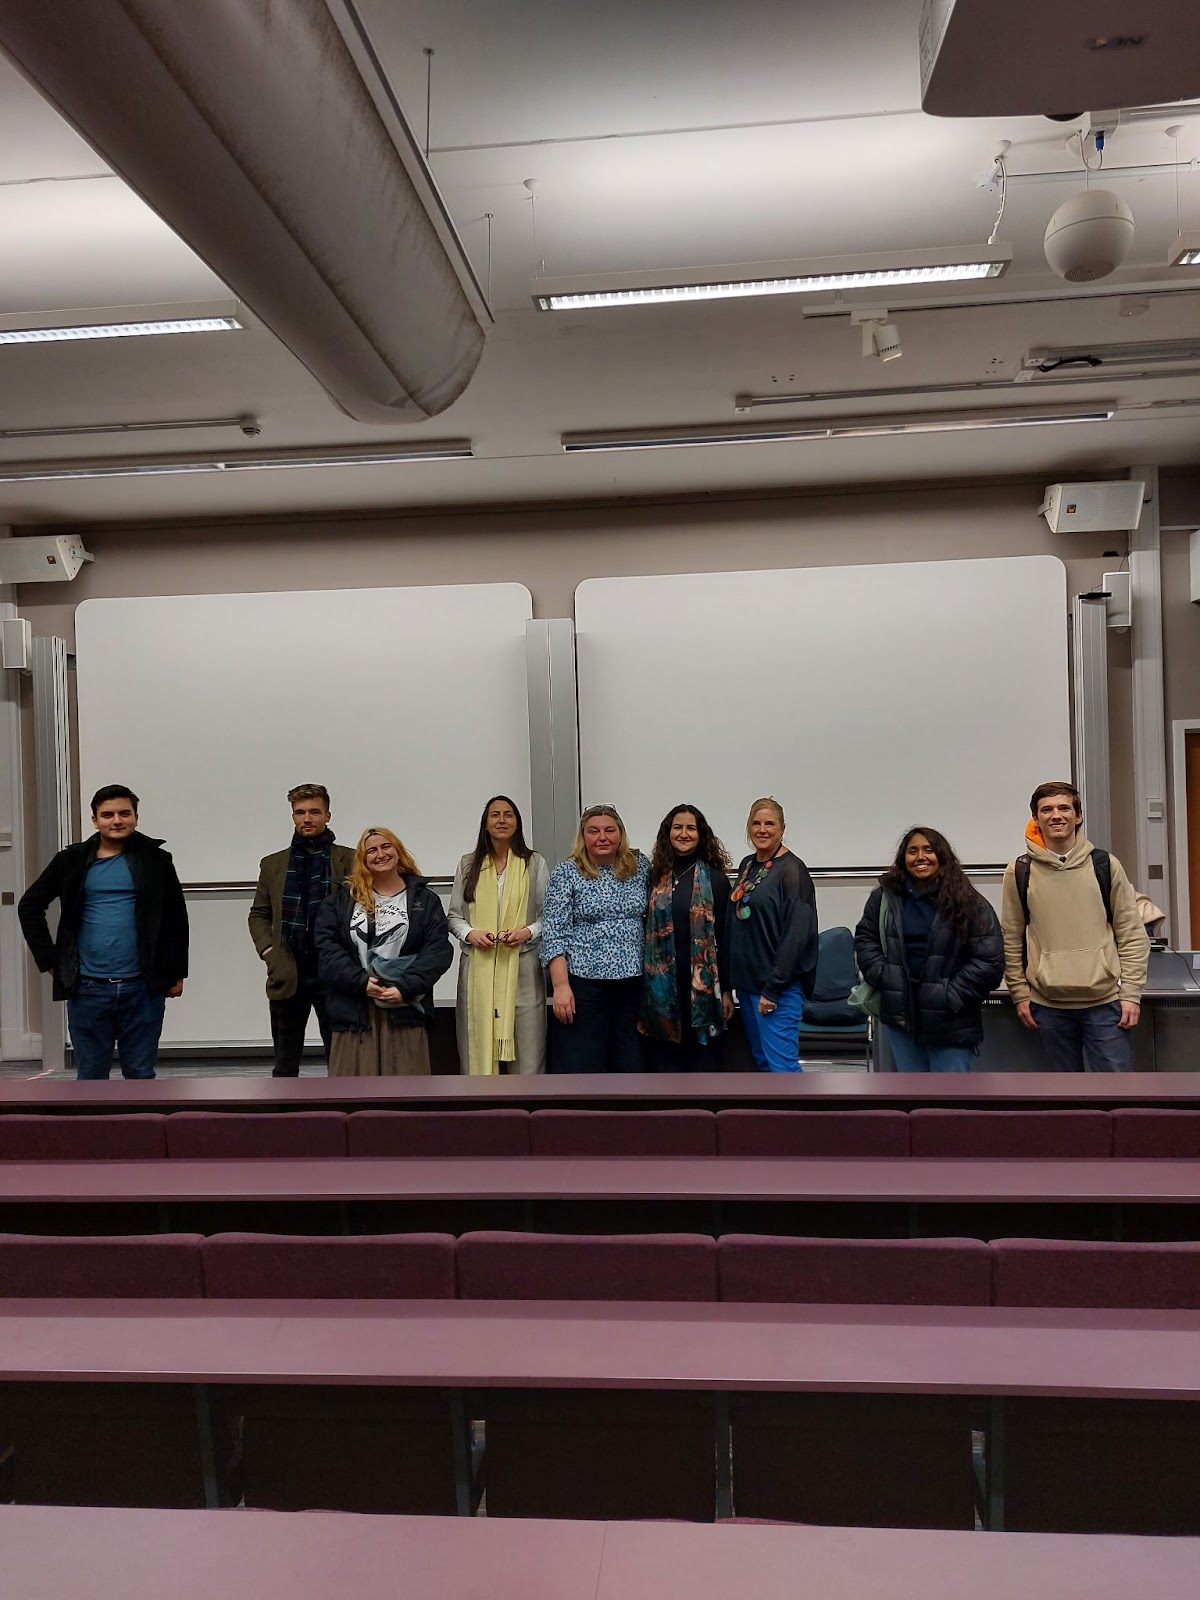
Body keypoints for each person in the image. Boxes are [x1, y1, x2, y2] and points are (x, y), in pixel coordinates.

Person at [17, 784, 188, 1080]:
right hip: (88, 987)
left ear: (136, 817)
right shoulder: (71, 860)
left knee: (140, 1074)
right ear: (94, 820)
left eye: (125, 813)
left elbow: (176, 918)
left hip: (143, 986)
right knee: (92, 1076)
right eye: (107, 815)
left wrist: (177, 971)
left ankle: (140, 1127)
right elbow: (29, 905)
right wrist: (50, 961)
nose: (117, 820)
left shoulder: (157, 860)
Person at [1001, 780, 1149, 1072]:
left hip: (1107, 1005)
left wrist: (1131, 993)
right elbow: (1011, 937)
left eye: (1064, 808)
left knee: (1118, 1095)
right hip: (1048, 1006)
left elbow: (1131, 933)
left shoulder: (1105, 865)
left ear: (1078, 816)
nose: (1056, 815)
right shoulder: (1020, 871)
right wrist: (1019, 993)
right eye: (1047, 810)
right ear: (1036, 819)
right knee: (1067, 1103)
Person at [854, 826, 1004, 1073]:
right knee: (911, 1100)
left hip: (951, 1021)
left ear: (942, 856)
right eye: (912, 851)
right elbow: (865, 939)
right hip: (902, 1018)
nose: (920, 857)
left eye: (928, 850)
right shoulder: (884, 898)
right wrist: (885, 977)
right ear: (903, 858)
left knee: (949, 1103)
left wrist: (950, 995)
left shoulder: (969, 902)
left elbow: (989, 960)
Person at [315, 826, 453, 1076]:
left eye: (386, 846)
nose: (380, 854)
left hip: (404, 1008)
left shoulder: (426, 900)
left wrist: (405, 988)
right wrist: (361, 982)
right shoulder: (341, 901)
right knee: (354, 1094)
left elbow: (438, 951)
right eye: (372, 850)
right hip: (354, 1012)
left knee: (406, 1096)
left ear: (398, 851)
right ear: (362, 859)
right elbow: (328, 951)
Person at [248, 784, 356, 1077]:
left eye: (314, 811)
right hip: (288, 970)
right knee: (284, 1065)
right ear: (293, 816)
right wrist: (269, 951)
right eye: (300, 812)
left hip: (334, 971)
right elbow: (259, 914)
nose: (307, 818)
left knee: (341, 1062)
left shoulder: (352, 859)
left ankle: (343, 1118)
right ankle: (284, 1120)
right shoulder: (273, 864)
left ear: (328, 815)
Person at [541, 804, 650, 1072]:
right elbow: (554, 933)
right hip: (584, 985)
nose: (602, 837)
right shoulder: (566, 872)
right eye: (594, 831)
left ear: (620, 834)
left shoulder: (640, 866)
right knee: (584, 1064)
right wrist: (561, 987)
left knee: (631, 1062)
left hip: (633, 984)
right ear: (583, 836)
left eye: (609, 830)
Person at [448, 795, 549, 1075]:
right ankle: (481, 1115)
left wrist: (527, 932)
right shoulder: (468, 864)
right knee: (475, 1050)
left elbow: (548, 916)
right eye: (495, 815)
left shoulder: (534, 863)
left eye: (508, 814)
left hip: (523, 969)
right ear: (485, 824)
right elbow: (454, 916)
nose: (502, 820)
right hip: (477, 968)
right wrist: (470, 934)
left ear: (517, 823)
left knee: (529, 1055)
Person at [638, 803, 734, 1070]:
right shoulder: (654, 877)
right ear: (668, 833)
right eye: (677, 827)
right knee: (665, 1059)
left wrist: (726, 990)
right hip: (661, 988)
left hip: (702, 986)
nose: (684, 833)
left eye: (690, 828)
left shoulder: (716, 880)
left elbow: (725, 939)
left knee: (702, 1059)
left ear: (700, 834)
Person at [726, 797, 818, 1074]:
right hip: (748, 986)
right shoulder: (747, 865)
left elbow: (797, 935)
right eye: (756, 823)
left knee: (783, 1070)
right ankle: (770, 1119)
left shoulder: (792, 870)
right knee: (763, 1065)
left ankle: (800, 1119)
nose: (762, 830)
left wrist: (774, 988)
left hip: (777, 989)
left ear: (782, 828)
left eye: (770, 824)